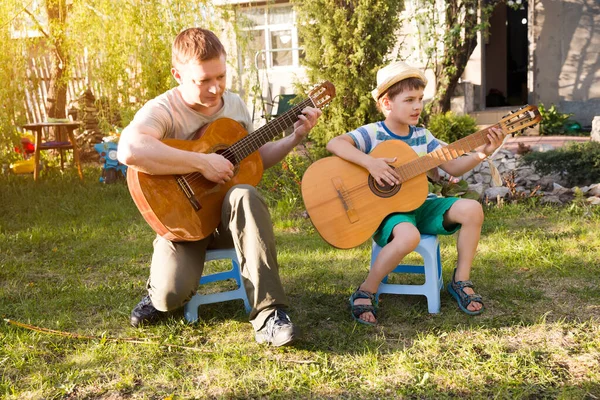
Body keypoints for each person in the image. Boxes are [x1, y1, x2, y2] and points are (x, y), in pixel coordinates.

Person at [117, 27, 322, 346]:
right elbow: (129, 150)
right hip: (183, 219)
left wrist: (294, 137)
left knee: (245, 193)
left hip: (229, 217)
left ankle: (269, 313)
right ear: (178, 75)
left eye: (221, 77)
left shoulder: (235, 106)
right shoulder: (163, 109)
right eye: (203, 80)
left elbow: (254, 159)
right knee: (169, 298)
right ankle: (157, 293)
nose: (216, 89)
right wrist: (201, 163)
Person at [326, 61, 506, 325]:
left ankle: (461, 280)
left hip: (421, 204)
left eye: (420, 99)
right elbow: (335, 143)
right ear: (387, 103)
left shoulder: (424, 137)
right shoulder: (373, 133)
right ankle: (367, 289)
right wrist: (371, 163)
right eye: (409, 99)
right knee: (408, 236)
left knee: (472, 209)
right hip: (388, 213)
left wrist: (483, 152)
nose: (417, 106)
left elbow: (453, 165)